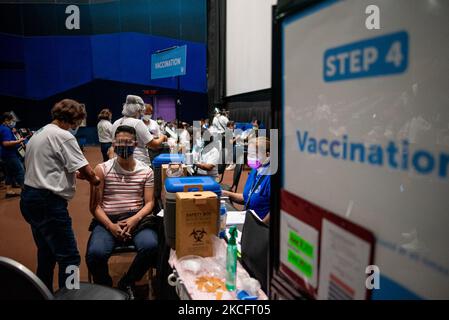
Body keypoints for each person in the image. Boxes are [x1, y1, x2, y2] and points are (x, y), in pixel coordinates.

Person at [20, 99, 100, 292]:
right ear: (72, 119)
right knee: (70, 257)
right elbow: (88, 171)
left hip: (30, 198)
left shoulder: (39, 133)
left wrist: (73, 175)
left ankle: (44, 292)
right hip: (48, 202)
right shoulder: (63, 136)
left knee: (46, 252)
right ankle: (70, 295)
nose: (77, 126)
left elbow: (49, 166)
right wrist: (96, 179)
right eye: (77, 122)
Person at [86, 125, 158, 299]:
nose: (123, 146)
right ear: (113, 144)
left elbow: (150, 203)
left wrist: (134, 220)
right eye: (119, 142)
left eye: (127, 142)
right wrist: (110, 226)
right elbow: (94, 207)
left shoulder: (146, 171)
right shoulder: (101, 169)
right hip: (107, 220)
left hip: (137, 219)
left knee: (152, 246)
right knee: (95, 254)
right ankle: (106, 287)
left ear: (135, 144)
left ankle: (128, 281)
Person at [222, 136, 271, 222]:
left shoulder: (271, 177)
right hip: (247, 218)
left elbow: (277, 211)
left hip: (260, 226)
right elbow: (247, 197)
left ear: (267, 155)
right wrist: (226, 193)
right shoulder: (255, 170)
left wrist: (260, 227)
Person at [111, 95, 167, 166]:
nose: (141, 114)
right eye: (141, 111)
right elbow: (153, 145)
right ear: (138, 110)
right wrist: (162, 137)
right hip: (139, 162)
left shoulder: (116, 122)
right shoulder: (137, 123)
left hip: (119, 161)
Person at [0, 112, 25, 198]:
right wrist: (19, 141)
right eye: (11, 120)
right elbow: (6, 143)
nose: (13, 122)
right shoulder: (5, 129)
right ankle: (25, 191)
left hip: (5, 155)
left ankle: (8, 191)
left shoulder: (3, 128)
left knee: (9, 173)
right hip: (10, 155)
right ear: (6, 120)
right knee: (20, 171)